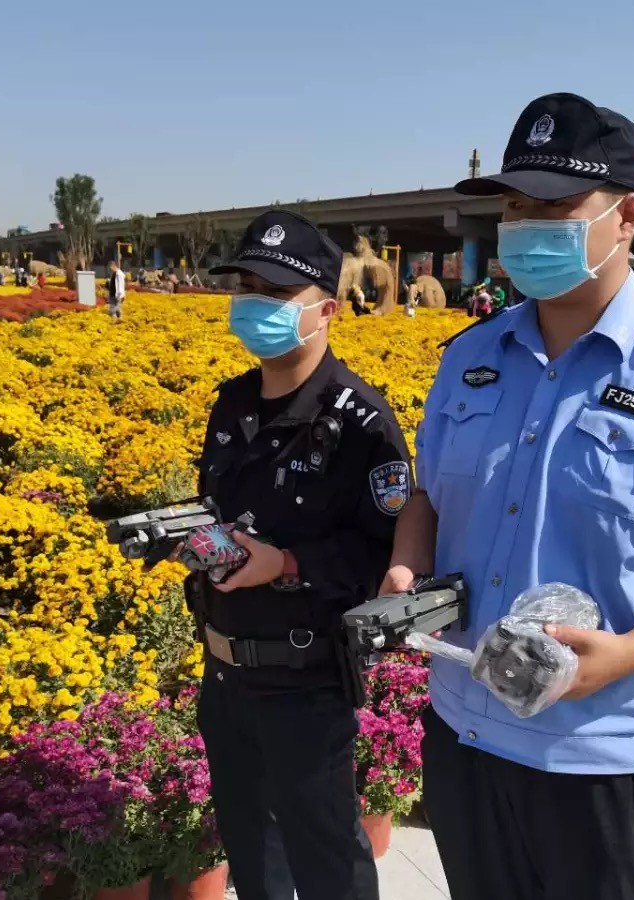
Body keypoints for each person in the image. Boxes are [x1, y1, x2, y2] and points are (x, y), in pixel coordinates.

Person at [382, 92, 634, 900]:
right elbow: (428, 494)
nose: (525, 226)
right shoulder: (469, 358)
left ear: (626, 216)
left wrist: (630, 654)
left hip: (604, 750)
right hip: (465, 727)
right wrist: (405, 565)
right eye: (515, 207)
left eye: (553, 206)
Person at [196, 210, 409, 900]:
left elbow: (384, 552)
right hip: (225, 679)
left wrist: (287, 564)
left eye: (277, 292)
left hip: (304, 684)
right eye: (248, 287)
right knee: (251, 860)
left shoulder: (361, 423)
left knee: (326, 865)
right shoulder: (233, 404)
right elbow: (219, 511)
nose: (256, 304)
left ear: (326, 310)